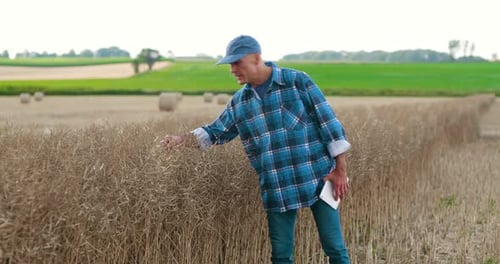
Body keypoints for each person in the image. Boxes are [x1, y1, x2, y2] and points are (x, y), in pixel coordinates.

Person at [162, 35, 351, 264]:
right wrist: (180, 140)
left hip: (318, 178)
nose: (232, 69)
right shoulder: (239, 103)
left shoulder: (297, 81)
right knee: (281, 256)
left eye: (236, 62)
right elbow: (215, 132)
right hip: (277, 187)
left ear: (256, 58)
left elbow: (329, 124)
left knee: (335, 250)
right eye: (230, 64)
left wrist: (340, 170)